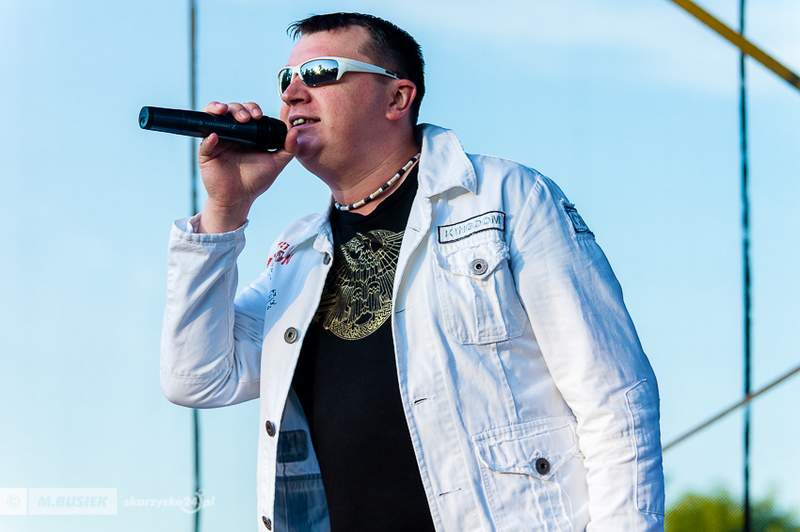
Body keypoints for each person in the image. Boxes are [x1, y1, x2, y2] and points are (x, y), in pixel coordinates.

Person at [160, 12, 665, 532]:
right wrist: (225, 209)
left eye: (321, 73)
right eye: (286, 79)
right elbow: (197, 378)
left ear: (397, 98)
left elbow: (614, 399)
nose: (292, 94)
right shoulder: (298, 256)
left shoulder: (503, 198)